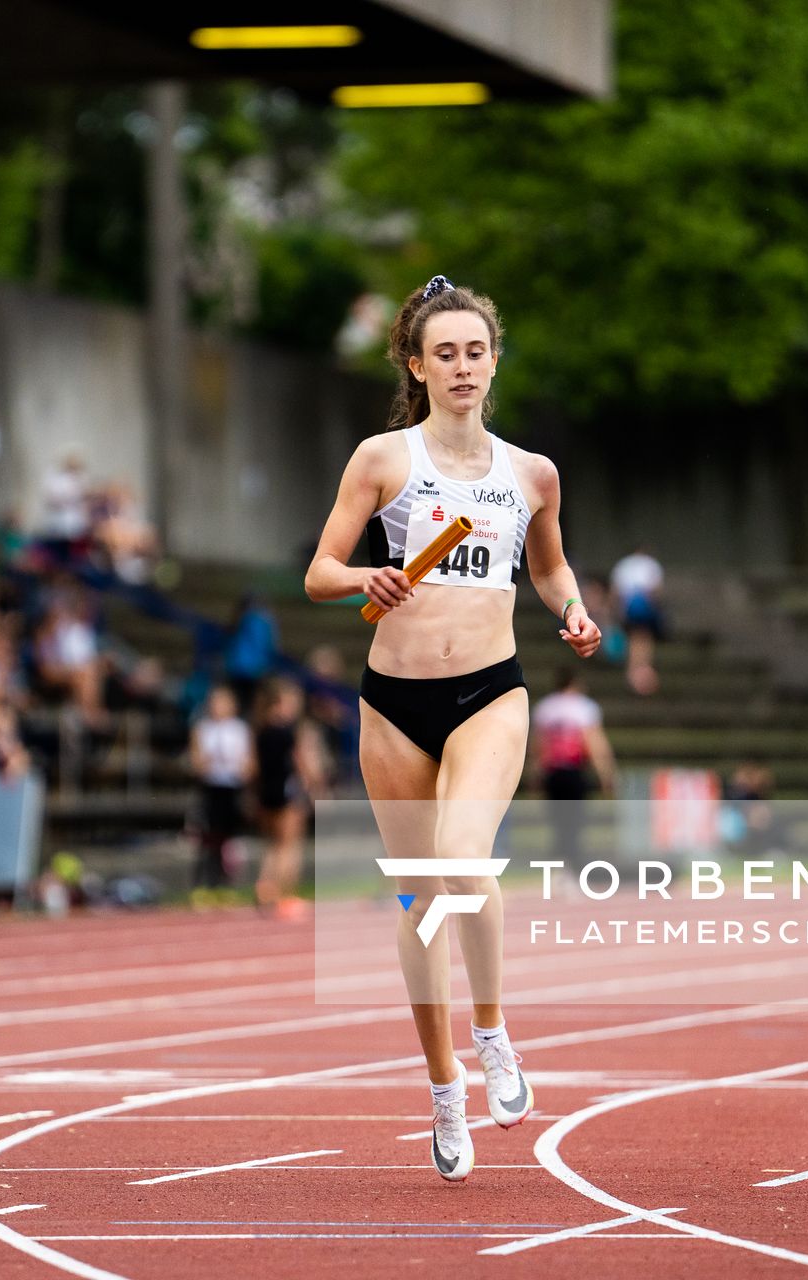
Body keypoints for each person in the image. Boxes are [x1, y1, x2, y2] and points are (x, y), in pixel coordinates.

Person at [304, 273, 602, 1182]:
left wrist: (575, 610)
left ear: (494, 360)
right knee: (422, 901)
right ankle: (443, 1086)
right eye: (446, 354)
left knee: (466, 861)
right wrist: (368, 579)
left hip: (489, 695)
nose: (463, 367)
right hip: (393, 704)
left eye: (476, 351)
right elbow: (317, 570)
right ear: (417, 365)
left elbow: (547, 569)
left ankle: (494, 1032)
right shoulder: (382, 459)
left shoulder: (531, 474)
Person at [250, 678, 329, 919]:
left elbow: (251, 766)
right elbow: (302, 763)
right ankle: (286, 895)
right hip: (287, 791)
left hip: (265, 791)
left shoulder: (260, 730)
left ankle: (265, 888)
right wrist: (316, 787)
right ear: (280, 703)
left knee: (273, 844)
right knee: (290, 846)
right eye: (292, 702)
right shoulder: (288, 732)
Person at [531, 669, 616, 861]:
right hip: (574, 771)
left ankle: (559, 861)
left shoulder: (545, 707)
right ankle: (572, 860)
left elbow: (538, 746)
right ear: (575, 684)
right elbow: (593, 742)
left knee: (557, 820)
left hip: (553, 772)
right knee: (575, 820)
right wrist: (605, 773)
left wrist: (536, 773)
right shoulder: (584, 707)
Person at [189, 684, 253, 899]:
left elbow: (250, 763)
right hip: (211, 787)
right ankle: (203, 884)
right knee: (208, 838)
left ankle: (225, 885)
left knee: (228, 839)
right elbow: (197, 761)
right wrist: (205, 762)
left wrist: (241, 768)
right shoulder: (203, 729)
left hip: (231, 787)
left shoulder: (240, 729)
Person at [609, 543, 665, 694]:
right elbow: (656, 589)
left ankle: (634, 673)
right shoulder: (650, 565)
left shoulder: (623, 565)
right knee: (643, 638)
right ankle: (641, 674)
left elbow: (615, 591)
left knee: (634, 638)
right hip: (643, 606)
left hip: (628, 607)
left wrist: (617, 611)